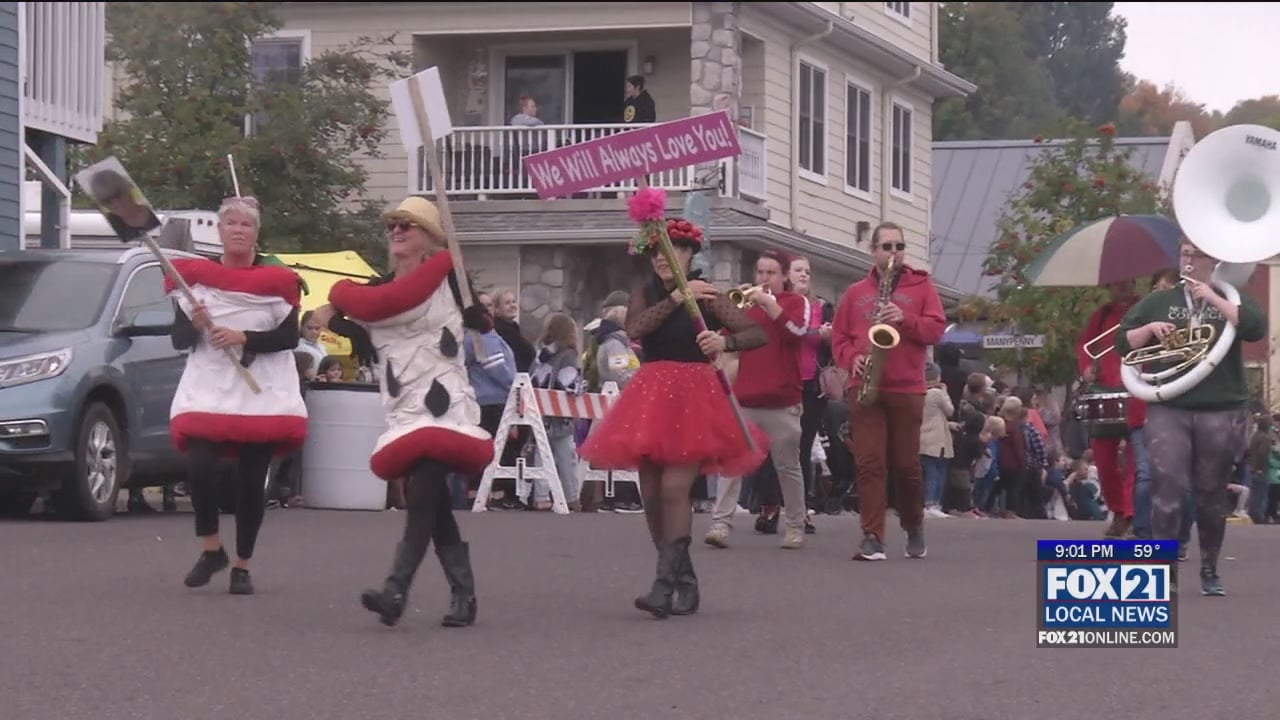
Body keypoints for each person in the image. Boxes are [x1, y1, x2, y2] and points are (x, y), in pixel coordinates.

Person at [314, 196, 496, 627]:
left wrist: (478, 317)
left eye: (408, 225)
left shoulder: (449, 280)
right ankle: (463, 594)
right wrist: (329, 309)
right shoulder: (374, 292)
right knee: (430, 503)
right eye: (393, 225)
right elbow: (359, 341)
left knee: (423, 491)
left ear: (430, 239)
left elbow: (484, 323)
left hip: (445, 405)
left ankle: (396, 588)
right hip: (403, 412)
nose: (397, 231)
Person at [578, 206, 768, 619]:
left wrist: (725, 345)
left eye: (674, 249)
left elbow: (756, 333)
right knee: (650, 494)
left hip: (694, 399)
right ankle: (684, 581)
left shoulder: (708, 293)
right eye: (658, 252)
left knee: (673, 489)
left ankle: (663, 586)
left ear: (690, 253)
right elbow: (635, 328)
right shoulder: (647, 290)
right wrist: (678, 297)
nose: (664, 257)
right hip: (650, 397)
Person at [168, 196, 307, 595]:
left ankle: (242, 564)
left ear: (256, 234)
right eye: (231, 223)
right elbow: (179, 340)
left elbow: (288, 336)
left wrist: (244, 336)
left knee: (250, 481)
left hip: (259, 390)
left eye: (246, 225)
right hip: (210, 388)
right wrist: (195, 325)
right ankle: (212, 547)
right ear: (220, 231)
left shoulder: (277, 285)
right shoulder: (194, 284)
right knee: (200, 466)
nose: (238, 230)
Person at [1115, 237, 1267, 595]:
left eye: (1194, 255)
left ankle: (1210, 569)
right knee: (1166, 490)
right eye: (1182, 254)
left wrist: (1213, 298)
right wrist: (1150, 330)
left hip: (1221, 406)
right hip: (1170, 405)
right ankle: (1164, 572)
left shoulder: (1232, 295)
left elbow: (1255, 328)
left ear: (1211, 260)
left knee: (1211, 494)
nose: (1186, 260)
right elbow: (1123, 343)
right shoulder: (1160, 301)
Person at [831, 221, 946, 561]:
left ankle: (914, 525)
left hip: (907, 387)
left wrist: (905, 319)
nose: (894, 253)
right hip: (866, 385)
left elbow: (936, 329)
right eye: (887, 247)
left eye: (899, 246)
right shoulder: (855, 293)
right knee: (869, 463)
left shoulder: (923, 287)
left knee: (906, 465)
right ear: (874, 251)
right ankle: (873, 537)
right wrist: (852, 359)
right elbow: (839, 339)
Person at [705, 249, 809, 549]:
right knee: (732, 465)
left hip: (782, 400)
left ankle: (795, 526)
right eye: (760, 273)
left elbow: (797, 332)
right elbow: (726, 340)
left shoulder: (796, 302)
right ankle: (720, 524)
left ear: (784, 276)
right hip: (746, 397)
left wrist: (770, 305)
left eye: (771, 273)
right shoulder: (745, 304)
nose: (764, 279)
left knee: (787, 466)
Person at [1075, 279, 1145, 538]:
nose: (1121, 286)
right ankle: (1118, 509)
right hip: (1106, 394)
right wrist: (1086, 368)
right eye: (1116, 282)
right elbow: (1084, 346)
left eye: (1125, 280)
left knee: (1139, 461)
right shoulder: (1102, 315)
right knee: (1103, 457)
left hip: (1139, 393)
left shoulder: (1145, 309)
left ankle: (1130, 512)